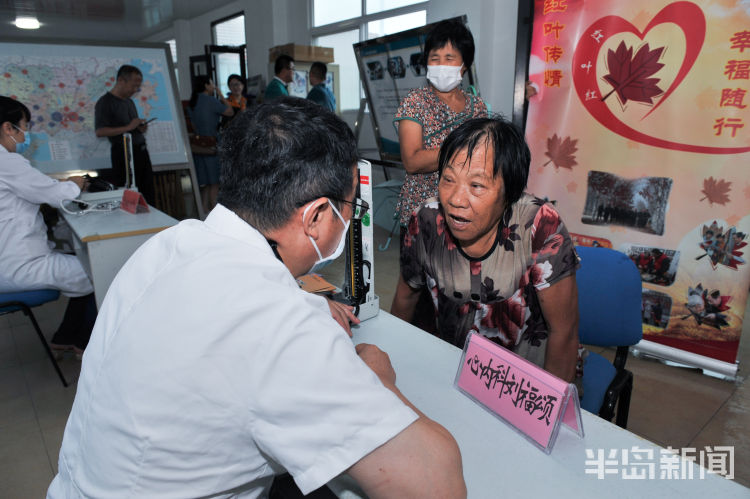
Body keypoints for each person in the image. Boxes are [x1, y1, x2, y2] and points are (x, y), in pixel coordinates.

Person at [48, 97, 465, 498]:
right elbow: (434, 484)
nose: (349, 219)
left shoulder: (170, 243)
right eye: (349, 208)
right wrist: (379, 380)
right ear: (318, 216)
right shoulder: (280, 325)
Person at [391, 116, 582, 384]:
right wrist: (392, 361)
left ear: (510, 192)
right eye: (448, 179)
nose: (456, 200)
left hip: (525, 382)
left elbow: (564, 331)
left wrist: (546, 414)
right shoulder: (425, 221)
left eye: (477, 185)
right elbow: (405, 299)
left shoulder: (539, 227)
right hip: (450, 369)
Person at [393, 18, 488, 332]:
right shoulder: (415, 102)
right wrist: (459, 146)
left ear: (465, 64)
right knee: (415, 291)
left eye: (450, 58)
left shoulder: (477, 107)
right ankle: (401, 343)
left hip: (464, 210)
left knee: (457, 291)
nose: (441, 65)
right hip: (423, 214)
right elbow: (413, 160)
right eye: (434, 58)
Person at [0, 96, 96, 357]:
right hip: (20, 265)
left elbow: (35, 188)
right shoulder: (7, 162)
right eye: (23, 127)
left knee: (84, 265)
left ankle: (65, 337)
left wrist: (61, 186)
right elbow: (56, 196)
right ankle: (85, 346)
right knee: (102, 273)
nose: (25, 135)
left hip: (9, 259)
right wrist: (75, 183)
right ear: (8, 128)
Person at [94, 64, 155, 205]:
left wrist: (139, 128)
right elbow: (100, 131)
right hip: (123, 154)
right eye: (133, 86)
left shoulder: (129, 102)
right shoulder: (105, 102)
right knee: (129, 194)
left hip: (140, 152)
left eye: (137, 87)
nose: (135, 90)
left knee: (147, 192)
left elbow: (131, 127)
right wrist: (128, 127)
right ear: (121, 81)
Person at [188, 75, 233, 213]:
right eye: (212, 83)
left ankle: (203, 212)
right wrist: (221, 95)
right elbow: (230, 112)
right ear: (207, 85)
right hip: (212, 143)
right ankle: (214, 212)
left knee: (205, 183)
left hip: (198, 145)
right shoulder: (211, 101)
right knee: (214, 182)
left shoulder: (193, 102)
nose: (213, 86)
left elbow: (194, 126)